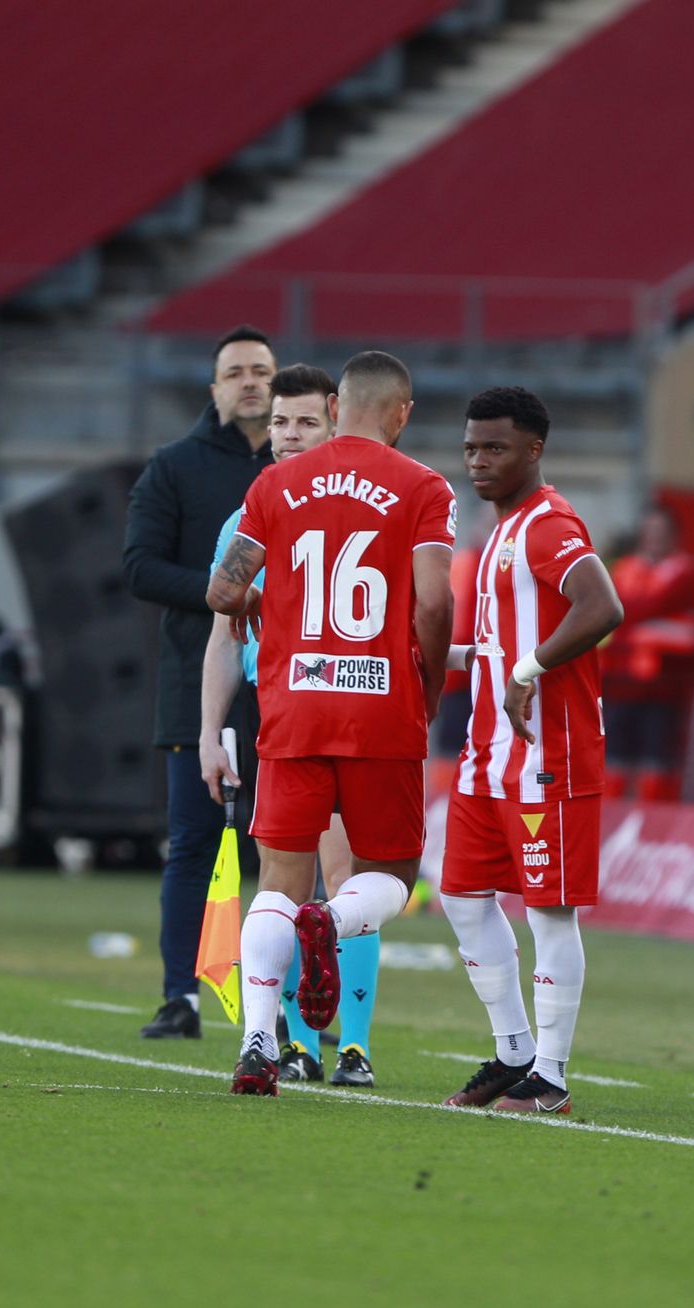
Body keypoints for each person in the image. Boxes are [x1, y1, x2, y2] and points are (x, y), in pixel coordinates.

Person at [207, 350, 455, 1096]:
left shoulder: (276, 483)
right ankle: (334, 927)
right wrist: (431, 684)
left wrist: (252, 599)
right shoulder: (422, 486)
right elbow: (436, 602)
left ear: (337, 405)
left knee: (277, 883)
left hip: (295, 706)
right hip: (381, 709)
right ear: (400, 413)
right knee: (389, 876)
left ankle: (258, 1041)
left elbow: (222, 592)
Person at [198, 363, 386, 1088]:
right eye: (279, 422)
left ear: (335, 423)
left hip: (347, 706)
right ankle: (295, 1043)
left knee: (342, 878)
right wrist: (212, 731)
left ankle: (351, 1045)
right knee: (287, 879)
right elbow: (221, 634)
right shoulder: (245, 518)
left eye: (306, 422)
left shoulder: (367, 510)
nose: (289, 436)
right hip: (269, 708)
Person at [439, 386, 624, 1116]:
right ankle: (514, 1053)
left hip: (549, 754)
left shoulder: (549, 525)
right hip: (488, 755)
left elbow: (603, 606)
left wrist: (529, 669)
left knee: (550, 913)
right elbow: (499, 646)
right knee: (459, 896)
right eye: (471, 448)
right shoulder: (497, 533)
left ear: (534, 450)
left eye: (495, 448)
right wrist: (440, 657)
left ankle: (551, 1076)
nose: (478, 462)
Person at [124, 324, 276, 1040]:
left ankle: (303, 1011)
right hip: (200, 679)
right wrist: (230, 592)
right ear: (214, 388)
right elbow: (139, 568)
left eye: (262, 370)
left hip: (291, 682)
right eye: (236, 371)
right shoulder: (174, 467)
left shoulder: (303, 470)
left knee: (289, 848)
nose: (251, 381)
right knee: (194, 843)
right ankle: (181, 994)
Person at [603, 503, 694, 797]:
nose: (654, 539)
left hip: (663, 687)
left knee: (656, 763)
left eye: (661, 532)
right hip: (619, 683)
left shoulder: (686, 572)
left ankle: (654, 828)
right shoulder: (624, 569)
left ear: (674, 536)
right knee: (613, 760)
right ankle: (611, 827)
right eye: (649, 532)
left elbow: (649, 607)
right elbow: (610, 609)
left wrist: (630, 615)